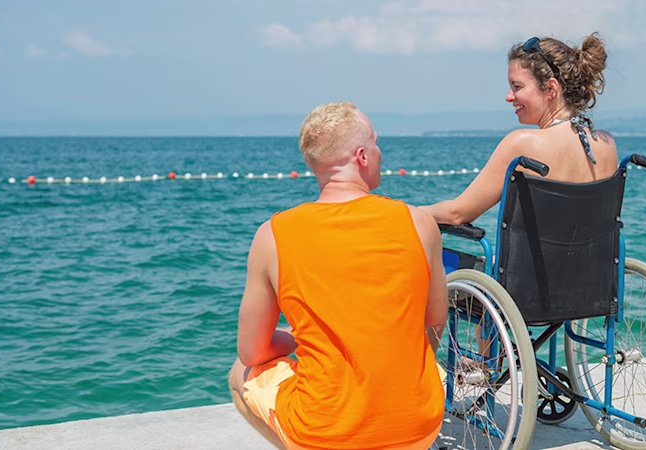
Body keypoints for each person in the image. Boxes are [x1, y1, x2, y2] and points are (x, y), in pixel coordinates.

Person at [228, 102, 448, 449]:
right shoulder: (419, 223)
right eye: (376, 143)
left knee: (238, 372)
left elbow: (252, 351)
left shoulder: (272, 235)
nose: (381, 152)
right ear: (361, 156)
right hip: (418, 427)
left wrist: (297, 338)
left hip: (325, 434)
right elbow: (434, 320)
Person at [421, 34, 618, 224]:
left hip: (530, 260)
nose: (509, 96)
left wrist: (401, 210)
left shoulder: (521, 143)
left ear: (550, 89)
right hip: (594, 260)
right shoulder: (606, 144)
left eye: (517, 86)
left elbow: (458, 213)